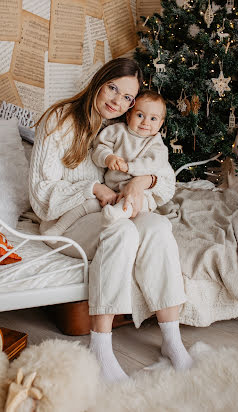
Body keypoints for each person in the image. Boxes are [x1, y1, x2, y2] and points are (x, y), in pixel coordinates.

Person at [29, 58, 193, 383]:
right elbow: (41, 193)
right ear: (100, 81)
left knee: (159, 228)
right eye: (113, 88)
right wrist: (94, 188)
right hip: (66, 221)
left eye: (128, 98)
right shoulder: (59, 120)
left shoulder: (121, 127)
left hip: (110, 211)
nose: (118, 101)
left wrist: (140, 182)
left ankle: (172, 341)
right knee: (123, 234)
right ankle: (100, 348)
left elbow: (165, 179)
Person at [43, 90, 172, 236]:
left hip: (140, 193)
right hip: (110, 189)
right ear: (129, 116)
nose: (145, 122)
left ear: (161, 124)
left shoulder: (156, 144)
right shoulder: (117, 131)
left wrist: (130, 167)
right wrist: (108, 158)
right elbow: (99, 148)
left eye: (153, 119)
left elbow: (153, 164)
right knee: (87, 204)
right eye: (140, 115)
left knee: (135, 204)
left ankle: (116, 216)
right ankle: (58, 229)